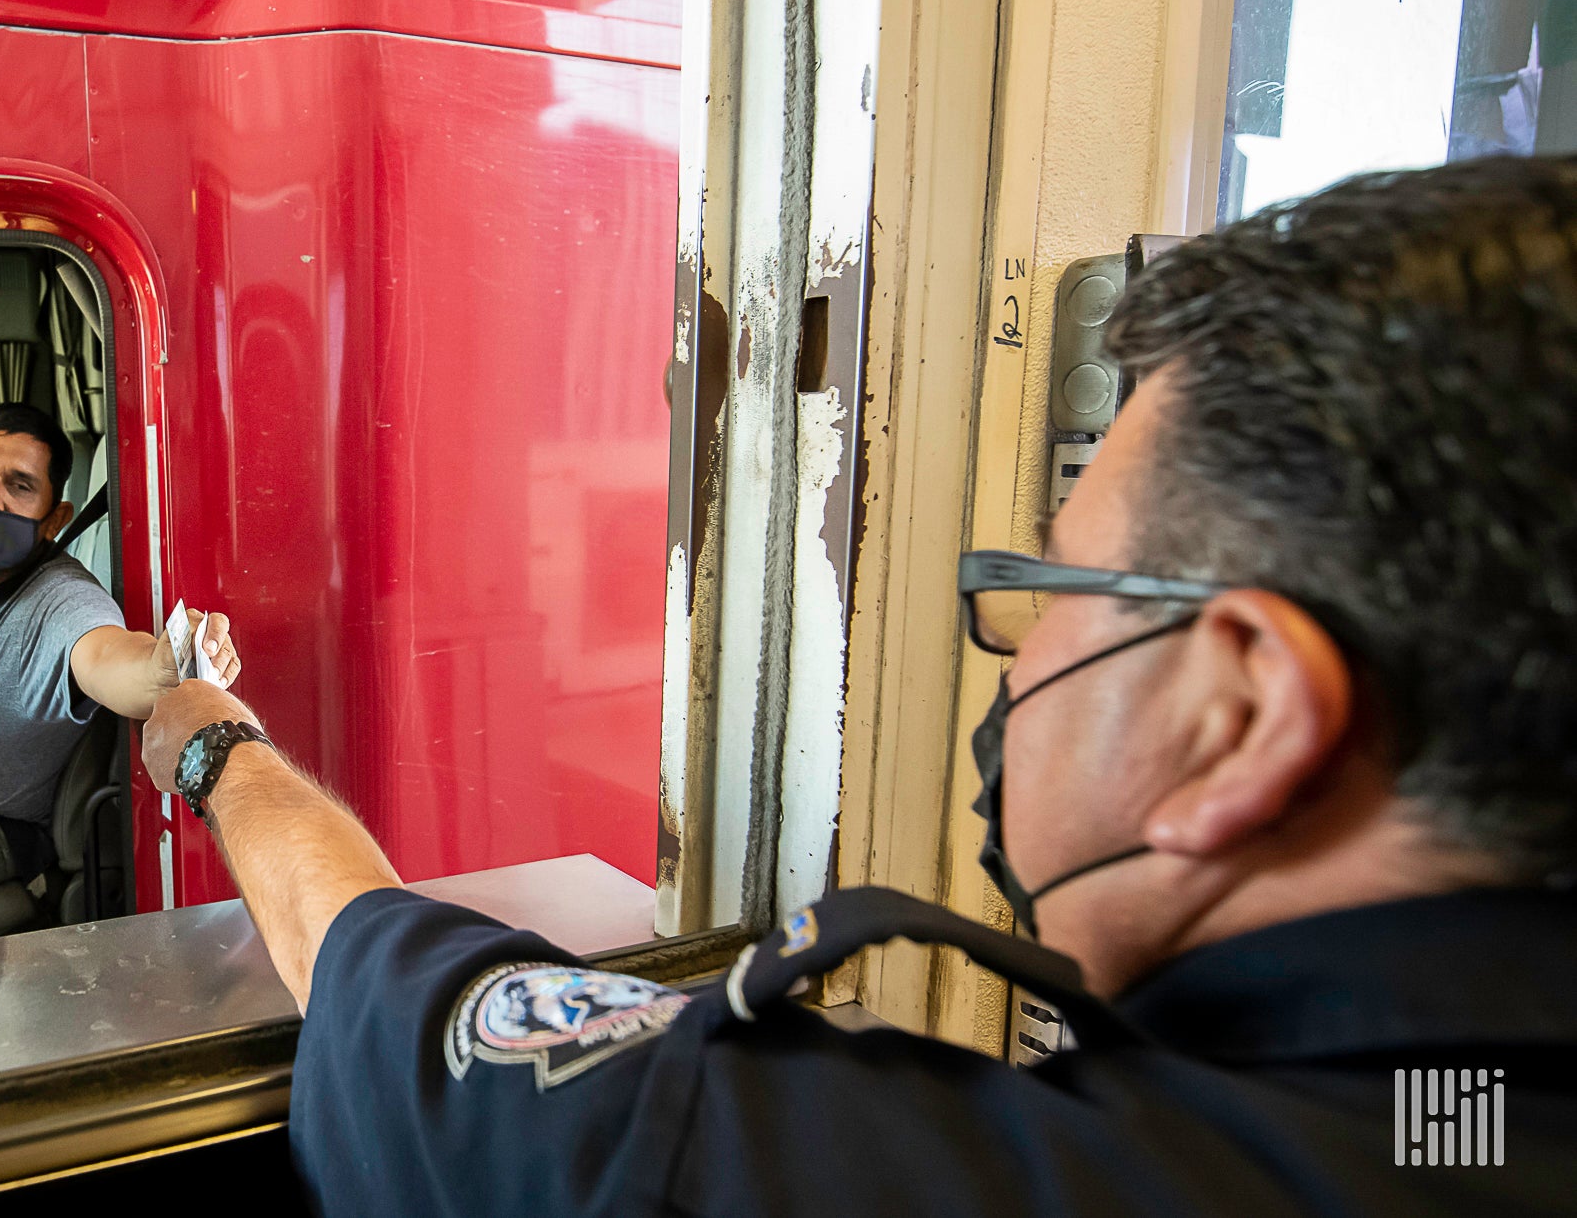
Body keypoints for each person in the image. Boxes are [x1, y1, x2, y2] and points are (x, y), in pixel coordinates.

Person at [138, 157, 1577, 1213]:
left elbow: (358, 951)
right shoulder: (1460, 1115)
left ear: (1237, 713)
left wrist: (215, 744)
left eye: (1064, 589)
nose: (1016, 647)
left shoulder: (829, 1175)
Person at [0, 402, 239, 882]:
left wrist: (162, 670)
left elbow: (108, 656)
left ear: (54, 518)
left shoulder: (62, 600)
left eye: (19, 486)